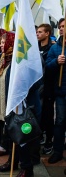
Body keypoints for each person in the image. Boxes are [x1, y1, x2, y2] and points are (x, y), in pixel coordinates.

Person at [46, 18, 66, 164]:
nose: (61, 29)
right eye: (60, 27)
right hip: (61, 92)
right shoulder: (55, 48)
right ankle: (57, 151)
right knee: (59, 121)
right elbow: (47, 66)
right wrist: (55, 62)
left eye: (64, 26)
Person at [37, 23, 54, 155]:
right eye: (37, 32)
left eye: (40, 32)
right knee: (38, 114)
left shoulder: (52, 48)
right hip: (37, 87)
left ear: (47, 33)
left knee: (48, 116)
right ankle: (40, 136)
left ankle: (49, 141)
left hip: (48, 87)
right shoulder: (34, 48)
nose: (37, 34)